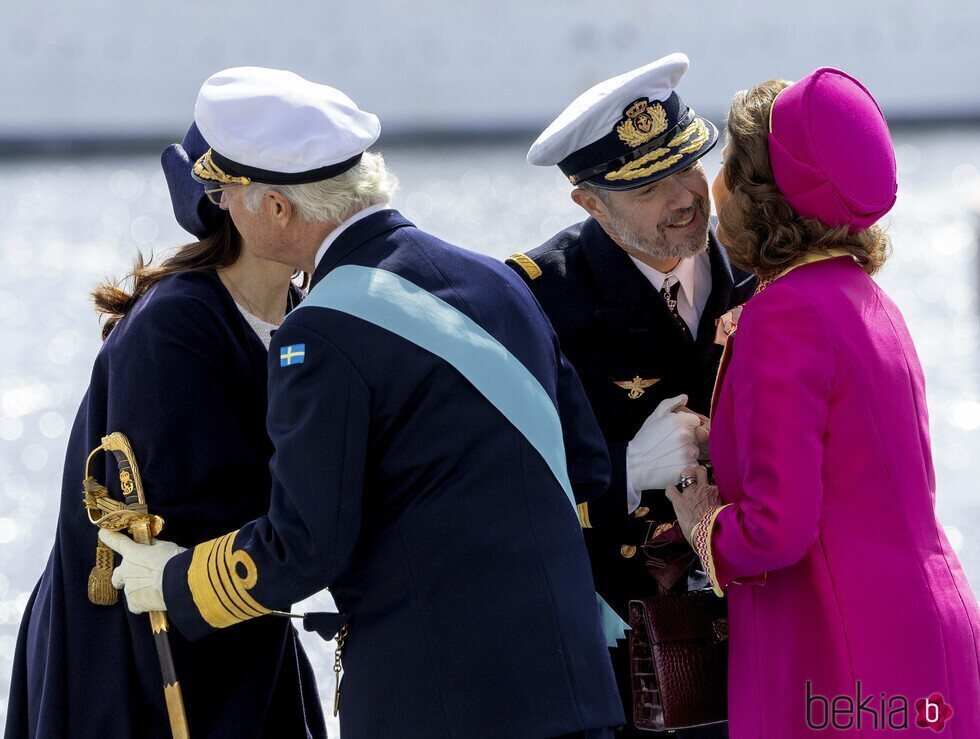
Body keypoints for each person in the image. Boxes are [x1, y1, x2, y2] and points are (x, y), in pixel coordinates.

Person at [101, 66, 625, 738]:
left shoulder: (319, 333)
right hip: (575, 691)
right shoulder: (498, 281)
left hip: (439, 707)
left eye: (226, 194)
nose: (220, 209)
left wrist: (176, 581)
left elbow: (305, 546)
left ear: (278, 209)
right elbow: (586, 468)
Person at [667, 67, 980, 736]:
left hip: (842, 665)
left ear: (760, 197)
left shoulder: (785, 315)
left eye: (727, 164)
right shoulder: (866, 299)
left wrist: (703, 523)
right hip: (922, 643)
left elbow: (776, 529)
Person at [4, 121, 327, 737]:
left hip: (234, 632)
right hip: (140, 658)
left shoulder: (300, 316)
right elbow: (178, 515)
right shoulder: (176, 326)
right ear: (251, 205)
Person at [506, 53, 755, 737]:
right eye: (649, 186)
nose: (684, 196)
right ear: (588, 201)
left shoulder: (758, 265)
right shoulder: (533, 301)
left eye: (687, 164)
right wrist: (621, 470)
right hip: (620, 656)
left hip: (763, 625)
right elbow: (500, 490)